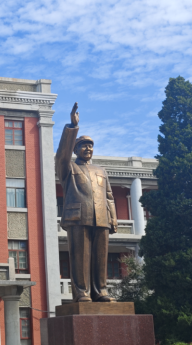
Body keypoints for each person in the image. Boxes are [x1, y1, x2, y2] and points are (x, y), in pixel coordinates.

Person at [55, 102, 117, 303]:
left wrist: (113, 219)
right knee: (80, 257)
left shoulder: (101, 170)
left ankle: (101, 291)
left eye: (91, 145)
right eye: (83, 145)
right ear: (75, 150)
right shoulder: (68, 168)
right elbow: (61, 155)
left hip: (101, 218)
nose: (88, 148)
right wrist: (73, 128)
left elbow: (109, 196)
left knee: (101, 257)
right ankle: (82, 292)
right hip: (78, 217)